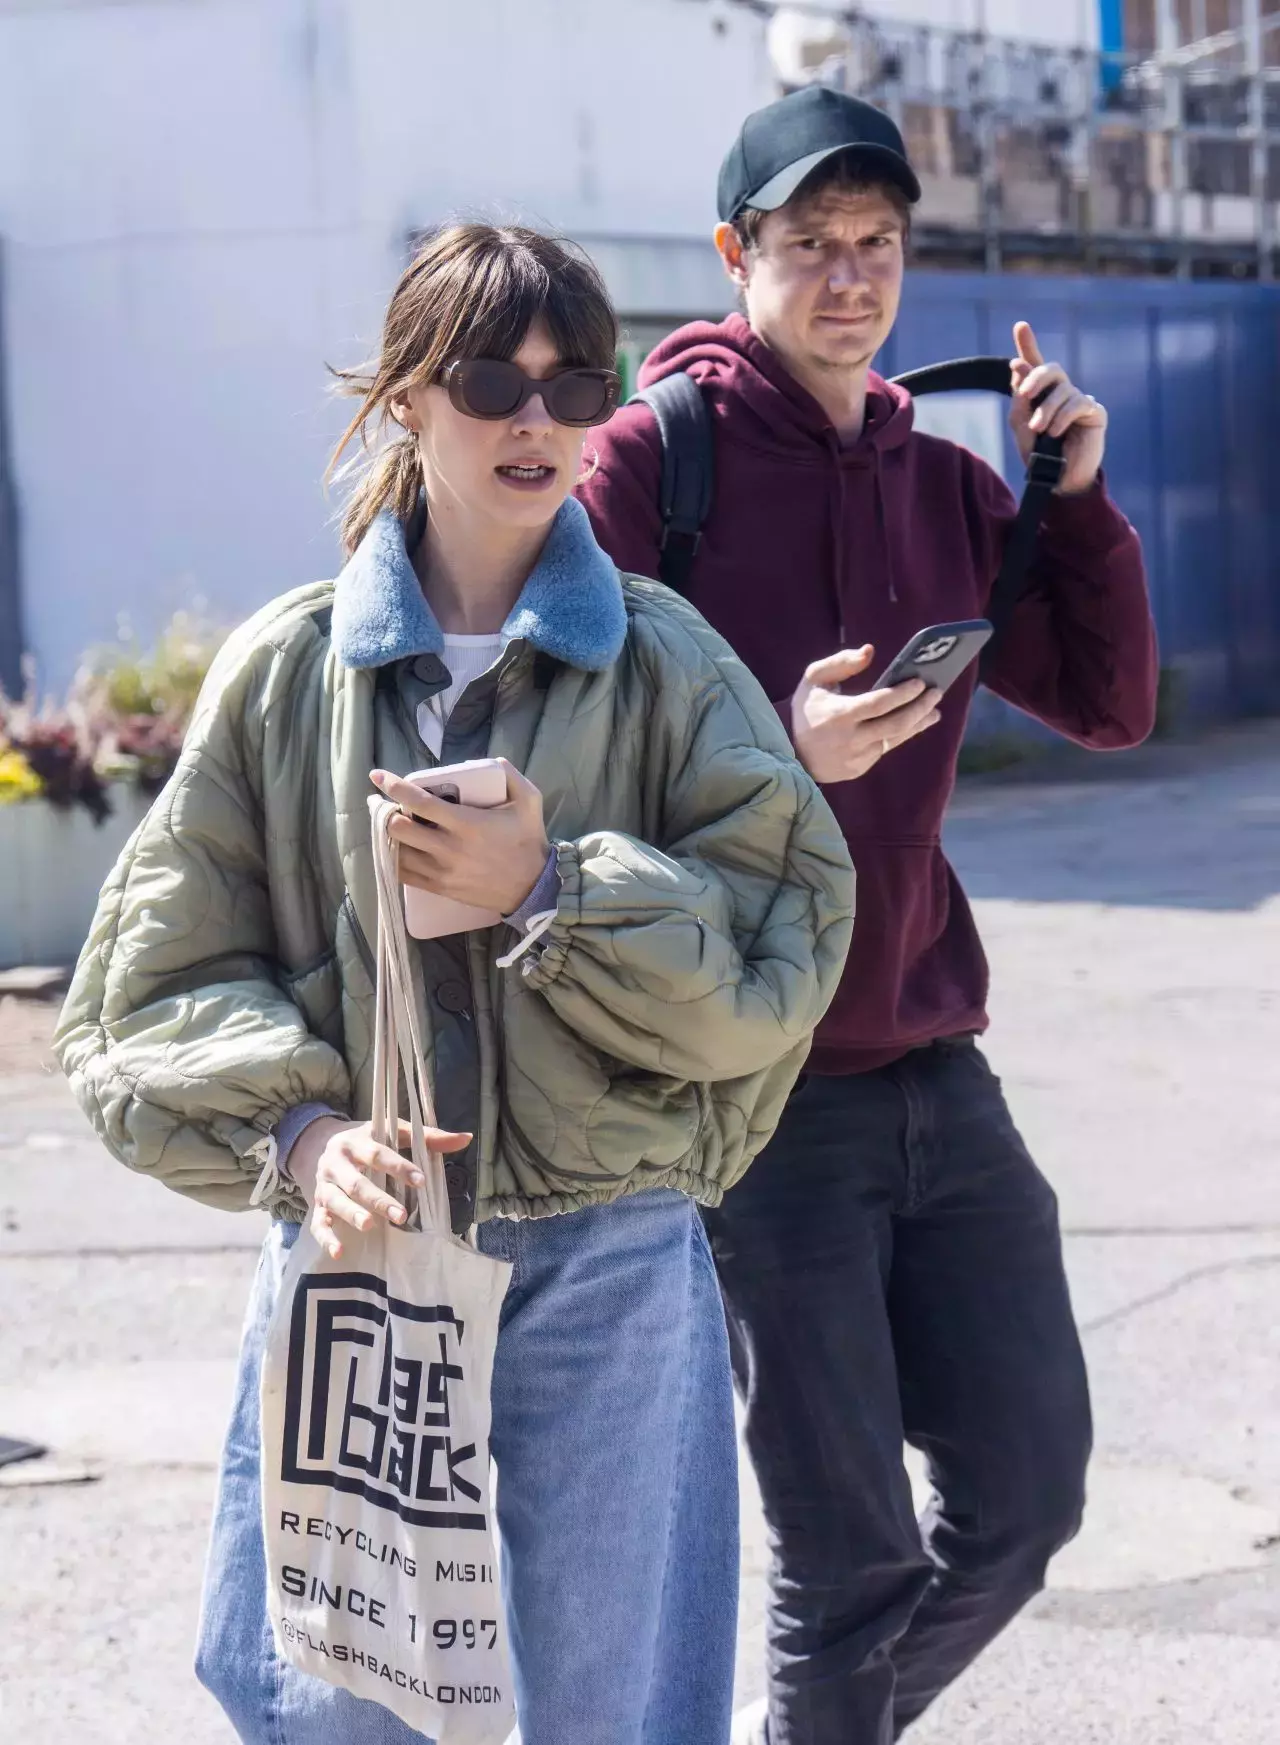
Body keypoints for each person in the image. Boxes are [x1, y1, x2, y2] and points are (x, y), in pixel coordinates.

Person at [55, 221, 854, 1745]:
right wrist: (302, 1141)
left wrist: (551, 894)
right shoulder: (289, 672)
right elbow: (140, 995)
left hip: (612, 1256)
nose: (539, 421)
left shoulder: (669, 667)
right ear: (408, 399)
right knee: (327, 1707)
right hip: (359, 1261)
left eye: (579, 385)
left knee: (616, 1711)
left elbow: (781, 958)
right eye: (494, 379)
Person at [578, 87, 1158, 1744]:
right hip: (756, 1090)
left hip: (932, 1060)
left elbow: (1112, 706)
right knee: (847, 1571)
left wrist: (1079, 496)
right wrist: (786, 748)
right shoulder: (647, 469)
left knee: (1028, 1499)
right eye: (811, 246)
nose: (849, 279)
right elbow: (564, 751)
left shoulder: (940, 478)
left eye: (878, 247)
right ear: (735, 257)